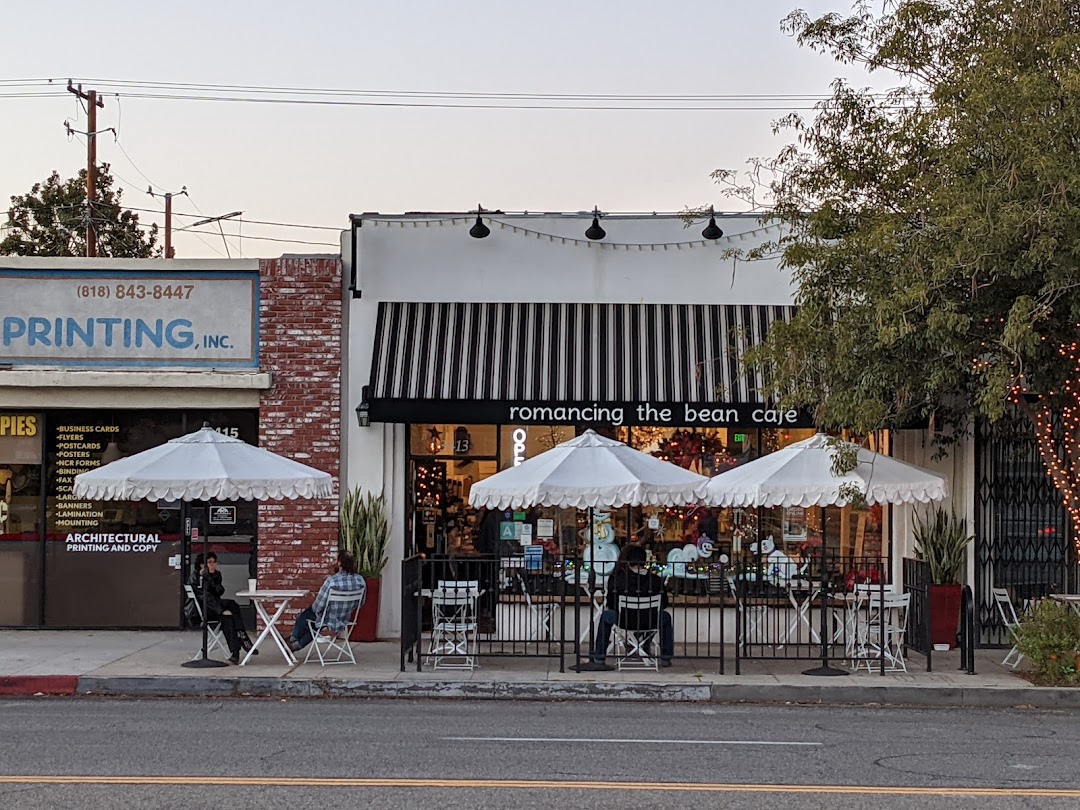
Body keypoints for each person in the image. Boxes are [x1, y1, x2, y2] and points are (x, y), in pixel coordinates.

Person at [577, 544, 674, 671]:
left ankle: (599, 656)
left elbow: (611, 603)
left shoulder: (617, 579)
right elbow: (664, 603)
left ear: (627, 561)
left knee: (606, 616)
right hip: (650, 620)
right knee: (665, 617)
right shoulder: (655, 580)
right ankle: (665, 656)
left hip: (623, 620)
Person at [288, 550, 367, 652]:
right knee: (315, 626)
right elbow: (361, 603)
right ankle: (295, 645)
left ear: (339, 563)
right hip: (344, 619)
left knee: (305, 617)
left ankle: (292, 639)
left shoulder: (332, 581)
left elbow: (318, 606)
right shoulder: (360, 580)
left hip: (327, 618)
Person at [189, 552, 256, 664]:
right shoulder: (195, 578)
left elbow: (219, 592)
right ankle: (243, 637)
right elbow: (205, 598)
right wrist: (221, 610)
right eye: (209, 562)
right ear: (202, 565)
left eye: (214, 562)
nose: (213, 565)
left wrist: (210, 578)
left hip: (215, 606)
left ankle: (235, 652)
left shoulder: (217, 574)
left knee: (229, 616)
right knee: (230, 607)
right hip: (204, 609)